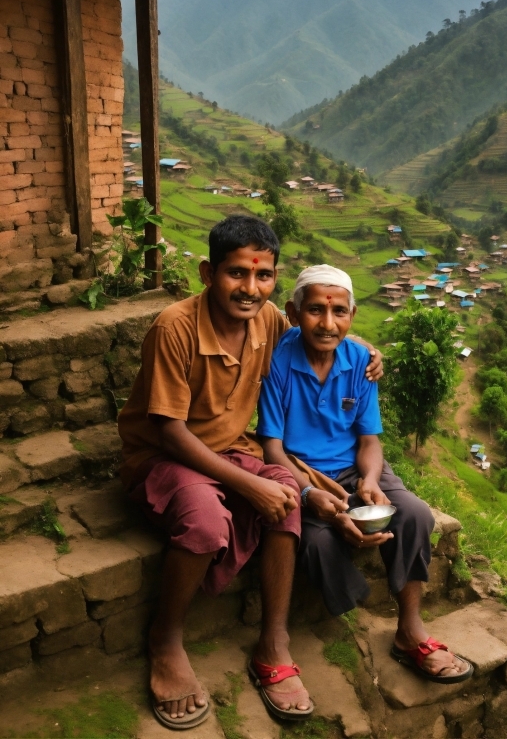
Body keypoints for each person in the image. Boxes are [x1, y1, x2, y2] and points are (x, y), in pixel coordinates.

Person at [118, 217, 382, 729]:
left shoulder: (267, 322)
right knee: (206, 522)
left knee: (287, 492)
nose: (249, 288)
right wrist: (248, 484)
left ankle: (273, 642)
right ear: (207, 272)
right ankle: (166, 640)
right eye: (236, 274)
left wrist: (369, 350)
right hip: (166, 455)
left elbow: (323, 330)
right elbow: (170, 431)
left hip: (231, 448)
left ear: (274, 281)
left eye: (263, 277)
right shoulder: (175, 327)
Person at [256, 265, 474, 685]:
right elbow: (272, 448)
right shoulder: (279, 361)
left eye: (340, 312)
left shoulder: (360, 360)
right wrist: (306, 492)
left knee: (414, 513)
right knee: (318, 541)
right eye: (316, 310)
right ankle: (351, 604)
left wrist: (370, 481)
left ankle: (410, 630)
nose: (328, 323)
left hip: (357, 466)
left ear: (352, 315)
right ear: (294, 311)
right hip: (302, 470)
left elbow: (369, 441)